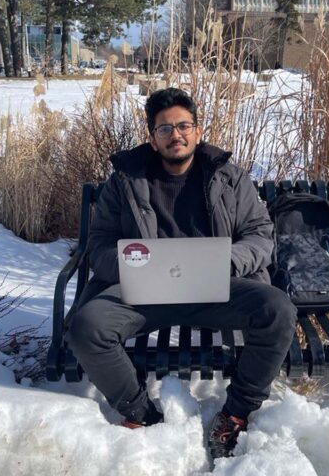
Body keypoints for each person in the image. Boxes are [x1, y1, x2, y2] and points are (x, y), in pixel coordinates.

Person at [66, 87, 297, 461]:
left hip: (216, 287)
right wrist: (132, 263)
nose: (177, 135)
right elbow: (99, 245)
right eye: (165, 129)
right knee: (86, 326)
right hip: (145, 291)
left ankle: (236, 412)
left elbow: (260, 236)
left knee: (278, 309)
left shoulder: (229, 178)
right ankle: (142, 413)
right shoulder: (125, 181)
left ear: (198, 130)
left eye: (184, 126)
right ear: (152, 138)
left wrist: (226, 261)